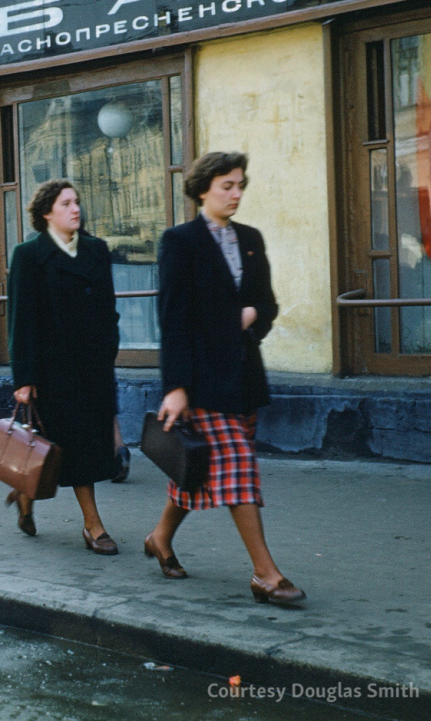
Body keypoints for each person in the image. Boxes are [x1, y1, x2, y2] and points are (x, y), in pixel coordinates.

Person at [147, 151, 305, 605]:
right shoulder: (180, 241)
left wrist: (253, 314)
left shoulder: (251, 238)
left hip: (243, 379)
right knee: (238, 469)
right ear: (202, 190)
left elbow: (267, 304)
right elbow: (172, 318)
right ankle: (266, 574)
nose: (236, 194)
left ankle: (160, 537)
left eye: (240, 185)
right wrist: (175, 387)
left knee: (196, 470)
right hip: (200, 381)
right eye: (227, 186)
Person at [7, 179, 121, 553]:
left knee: (82, 446)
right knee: (72, 448)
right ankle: (93, 525)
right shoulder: (29, 255)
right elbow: (21, 320)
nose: (76, 209)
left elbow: (109, 311)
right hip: (53, 372)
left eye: (77, 202)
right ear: (47, 213)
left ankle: (26, 496)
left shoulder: (96, 250)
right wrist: (24, 378)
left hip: (94, 369)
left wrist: (108, 352)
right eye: (66, 204)